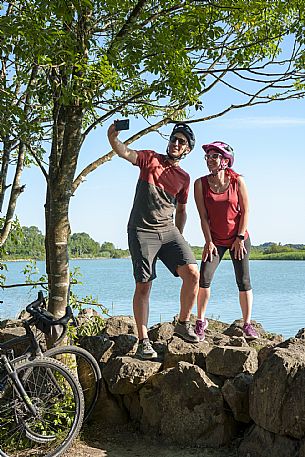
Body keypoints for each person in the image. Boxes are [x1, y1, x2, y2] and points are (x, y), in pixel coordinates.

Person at [107, 122, 200, 359]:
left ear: (187, 150)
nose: (175, 144)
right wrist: (113, 137)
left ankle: (182, 323)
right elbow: (125, 152)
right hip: (141, 231)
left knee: (192, 273)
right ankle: (143, 341)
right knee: (144, 285)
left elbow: (181, 210)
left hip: (168, 231)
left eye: (181, 142)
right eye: (174, 139)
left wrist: (178, 237)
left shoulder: (184, 178)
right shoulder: (150, 159)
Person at [194, 141, 259, 341]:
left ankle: (247, 324)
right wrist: (208, 242)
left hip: (238, 238)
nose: (210, 160)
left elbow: (246, 211)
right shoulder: (200, 184)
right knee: (204, 278)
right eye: (208, 156)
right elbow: (203, 217)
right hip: (215, 240)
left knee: (243, 281)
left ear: (225, 161)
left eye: (214, 156)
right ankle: (200, 321)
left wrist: (240, 237)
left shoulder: (237, 181)